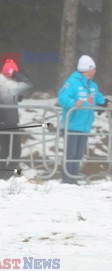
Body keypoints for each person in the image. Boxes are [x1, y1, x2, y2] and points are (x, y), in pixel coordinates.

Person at [58, 55, 111, 184]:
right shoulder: (72, 82)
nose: (95, 71)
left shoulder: (92, 85)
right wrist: (73, 103)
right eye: (93, 69)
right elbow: (62, 97)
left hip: (84, 126)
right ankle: (67, 179)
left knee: (78, 154)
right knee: (70, 154)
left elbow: (99, 99)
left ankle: (74, 178)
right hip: (72, 124)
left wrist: (106, 103)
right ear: (87, 70)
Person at [0, 58, 33, 180]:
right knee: (16, 152)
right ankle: (6, 176)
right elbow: (29, 84)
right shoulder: (12, 85)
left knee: (4, 150)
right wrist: (16, 73)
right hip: (10, 121)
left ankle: (0, 177)